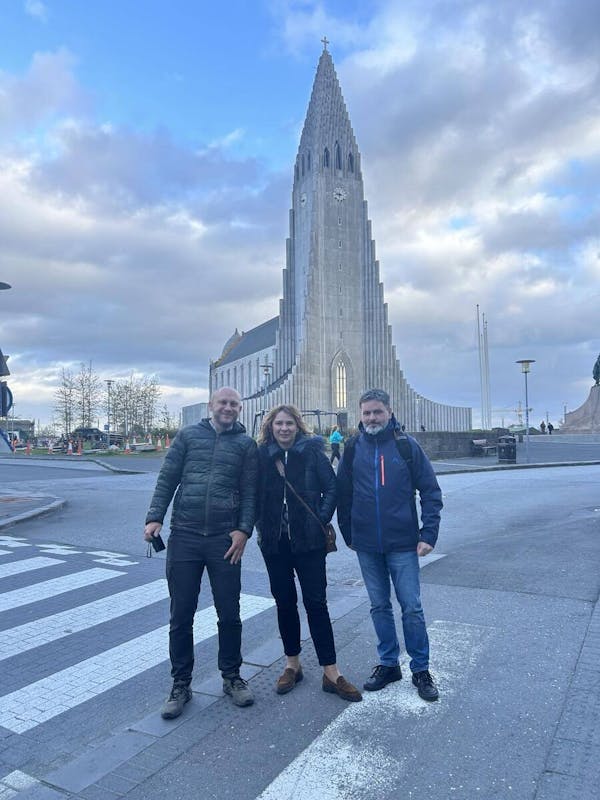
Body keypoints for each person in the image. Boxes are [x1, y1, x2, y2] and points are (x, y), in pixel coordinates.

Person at [144, 387, 258, 718]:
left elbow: (250, 492)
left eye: (234, 404)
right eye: (223, 403)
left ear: (240, 409)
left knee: (230, 612)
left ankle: (232, 677)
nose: (228, 408)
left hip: (225, 539)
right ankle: (181, 684)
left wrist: (243, 530)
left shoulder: (245, 445)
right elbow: (167, 478)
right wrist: (155, 517)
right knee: (181, 614)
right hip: (185, 536)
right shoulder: (188, 437)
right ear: (210, 406)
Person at [336, 389, 443, 701]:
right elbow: (343, 493)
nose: (371, 418)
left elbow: (431, 491)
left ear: (389, 412)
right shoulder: (354, 447)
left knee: (411, 607)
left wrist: (428, 535)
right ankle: (388, 663)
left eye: (377, 412)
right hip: (367, 544)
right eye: (366, 413)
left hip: (403, 543)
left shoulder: (406, 446)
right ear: (360, 415)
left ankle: (420, 668)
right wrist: (349, 534)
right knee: (379, 606)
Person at [255, 404, 362, 702]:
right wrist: (258, 525)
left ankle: (331, 671)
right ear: (271, 427)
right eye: (279, 424)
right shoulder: (263, 456)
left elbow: (333, 488)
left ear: (297, 426)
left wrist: (320, 519)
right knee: (285, 603)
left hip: (309, 542)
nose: (284, 428)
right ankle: (293, 664)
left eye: (289, 423)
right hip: (275, 543)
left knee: (316, 603)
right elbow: (252, 493)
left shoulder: (312, 452)